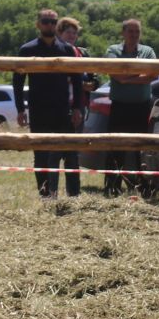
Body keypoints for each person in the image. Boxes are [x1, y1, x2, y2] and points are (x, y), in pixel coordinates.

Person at [13, 9, 82, 199]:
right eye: (45, 22)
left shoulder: (67, 50)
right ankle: (46, 196)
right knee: (41, 154)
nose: (49, 25)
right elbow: (17, 82)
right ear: (38, 24)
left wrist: (77, 107)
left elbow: (77, 82)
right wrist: (20, 109)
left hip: (62, 109)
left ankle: (73, 196)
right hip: (38, 109)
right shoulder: (27, 50)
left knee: (69, 153)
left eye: (53, 22)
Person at [103, 18, 156, 195]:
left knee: (141, 149)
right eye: (130, 31)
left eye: (137, 32)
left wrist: (127, 77)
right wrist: (139, 75)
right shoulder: (113, 50)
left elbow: (153, 75)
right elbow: (116, 74)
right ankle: (112, 187)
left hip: (142, 108)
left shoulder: (148, 51)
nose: (134, 35)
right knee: (116, 147)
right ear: (123, 33)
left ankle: (143, 188)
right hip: (120, 107)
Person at [55, 16, 94, 197]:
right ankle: (51, 192)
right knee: (54, 151)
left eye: (74, 33)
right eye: (68, 32)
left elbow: (93, 80)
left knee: (73, 153)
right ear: (59, 33)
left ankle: (73, 193)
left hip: (79, 106)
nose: (72, 36)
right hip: (58, 107)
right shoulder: (53, 51)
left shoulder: (82, 53)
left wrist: (83, 84)